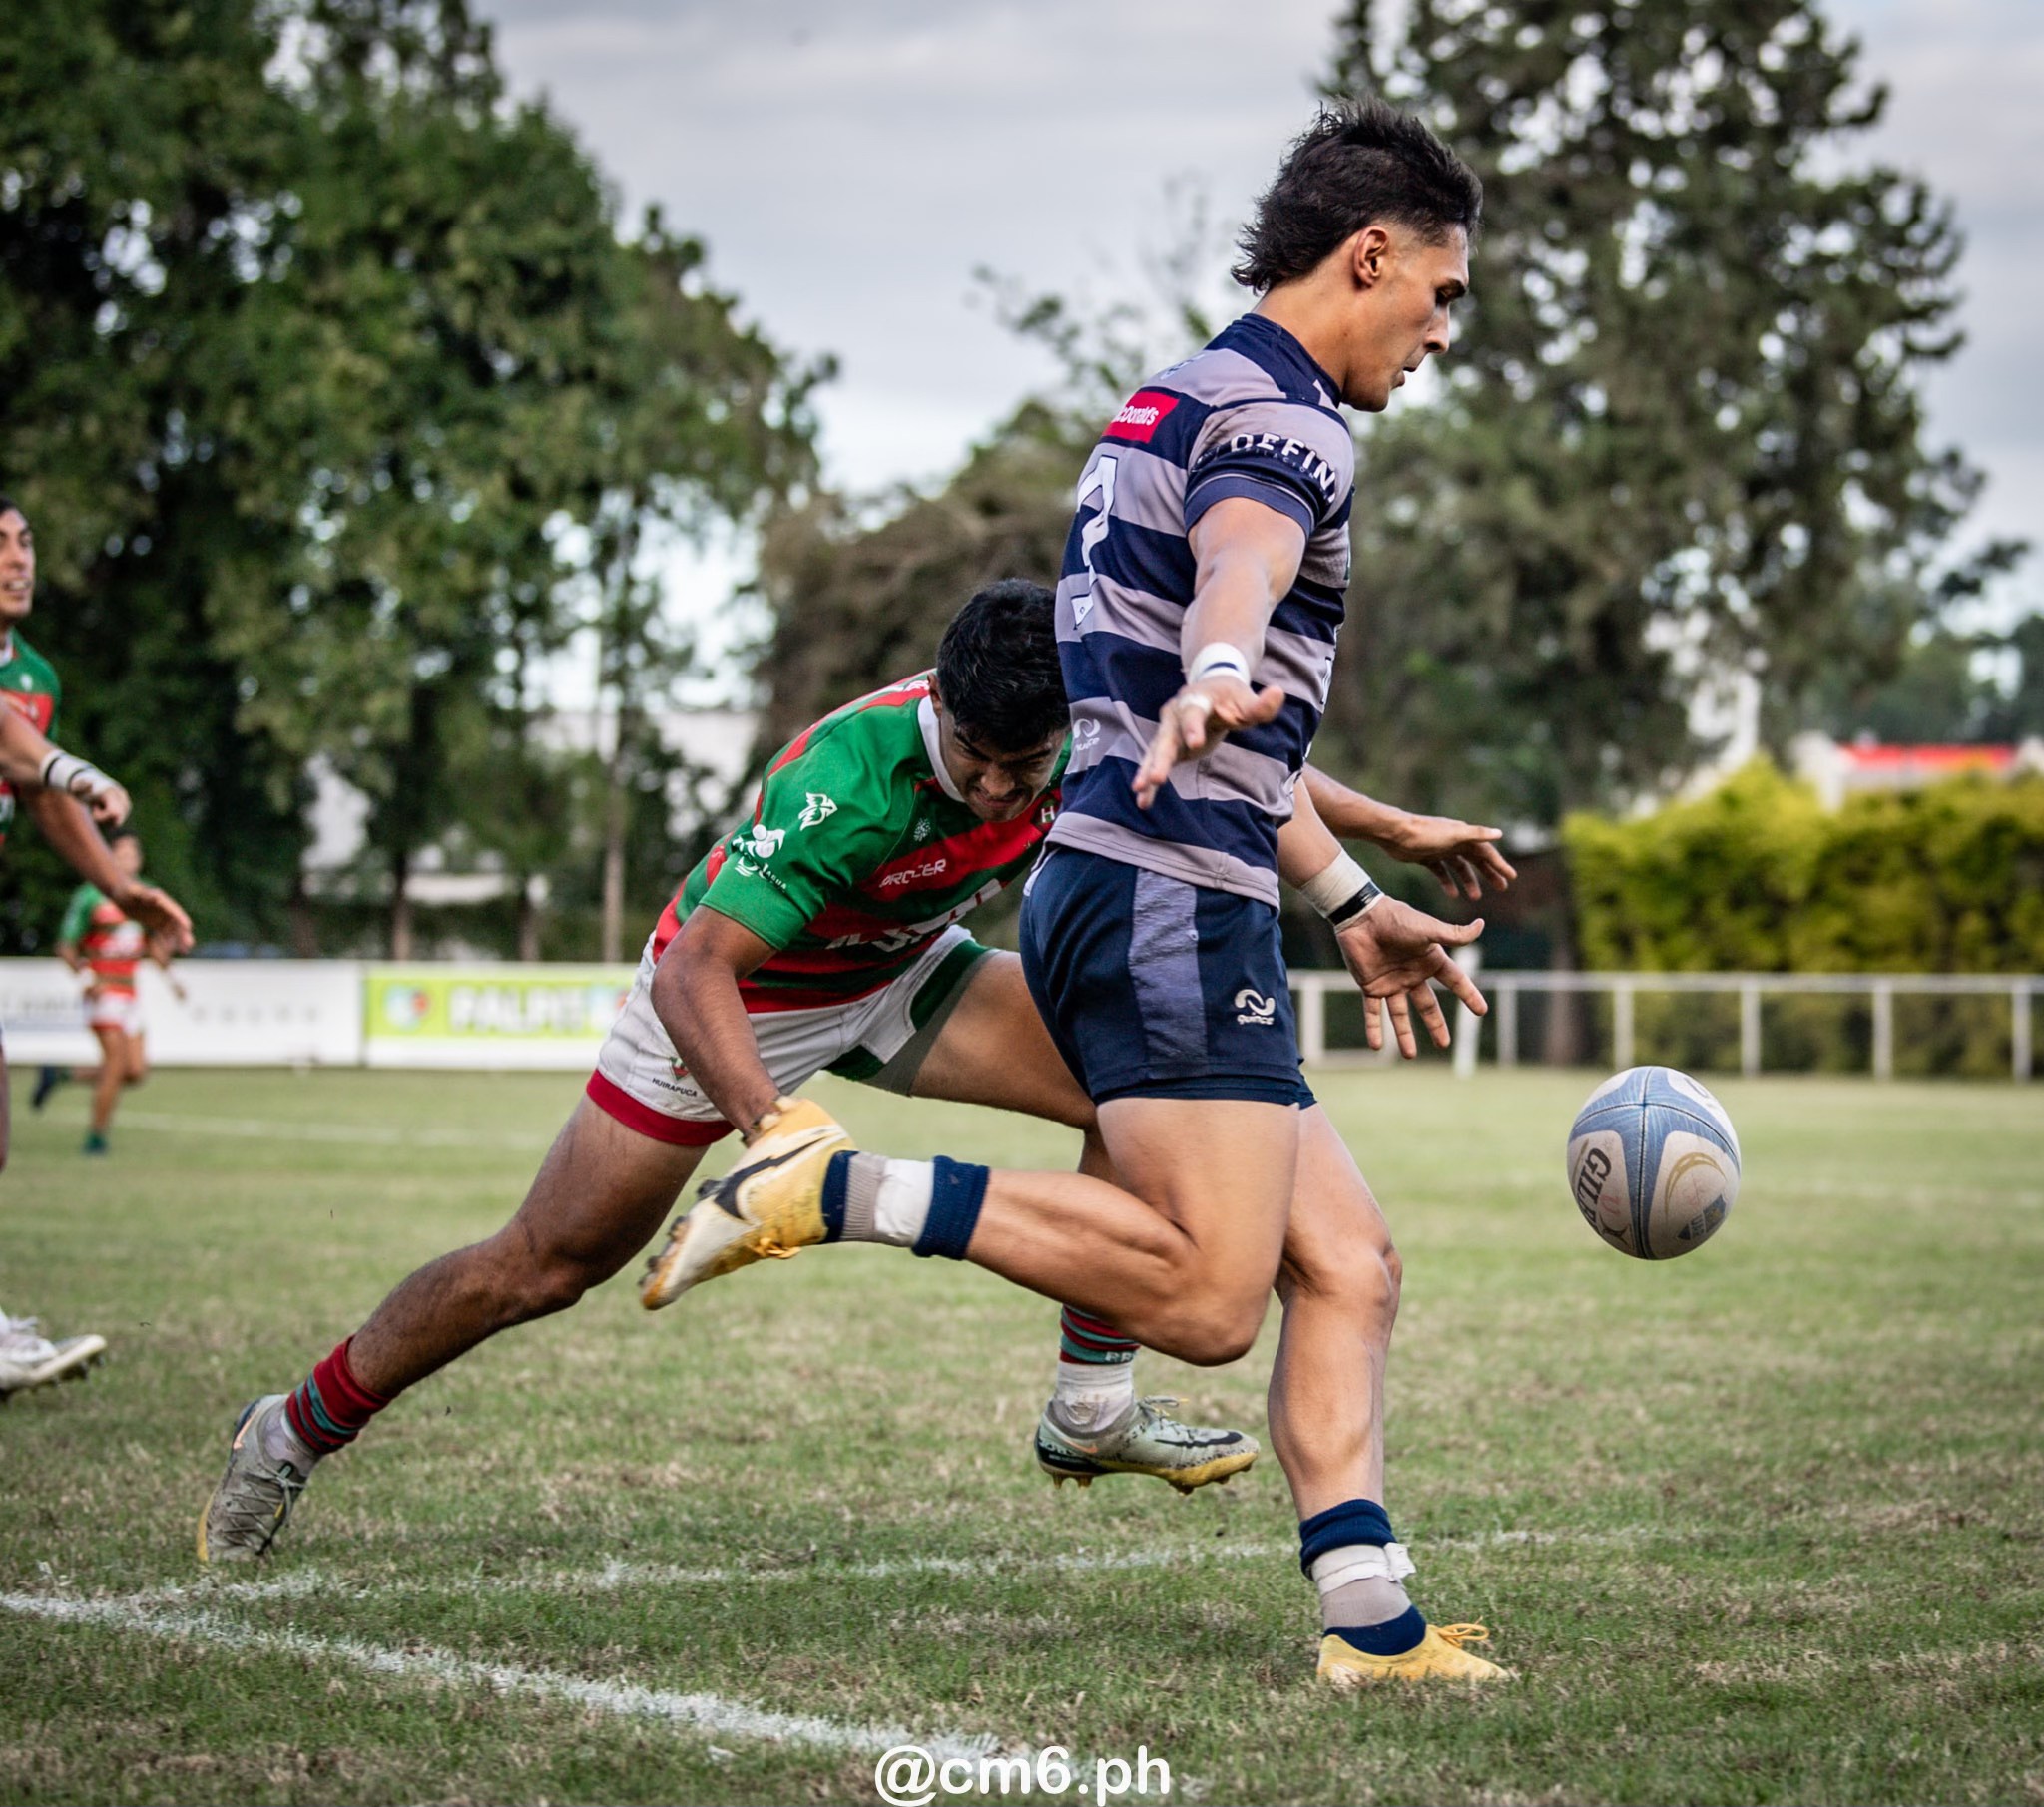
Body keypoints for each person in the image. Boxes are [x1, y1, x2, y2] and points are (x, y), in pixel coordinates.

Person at [645, 100, 1510, 1687]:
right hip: (1173, 902)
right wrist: (1230, 657)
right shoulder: (1292, 422)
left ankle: (1369, 1622)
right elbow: (1243, 564)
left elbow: (1178, 666)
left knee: (1353, 1261)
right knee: (1203, 1296)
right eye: (1441, 292)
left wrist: (1346, 894)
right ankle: (840, 1190)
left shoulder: (1163, 400)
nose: (1445, 329)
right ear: (1369, 254)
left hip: (1133, 880)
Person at [197, 579, 1509, 1560]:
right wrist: (770, 1128)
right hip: (738, 998)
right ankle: (295, 1425)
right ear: (939, 706)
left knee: (1127, 1074)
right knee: (541, 1264)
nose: (1004, 792)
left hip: (898, 972)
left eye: (1027, 765)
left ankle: (1090, 1403)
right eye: (982, 761)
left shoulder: (1086, 723)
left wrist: (1393, 835)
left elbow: (1239, 757)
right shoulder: (848, 779)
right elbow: (691, 969)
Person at [0, 497, 196, 1395]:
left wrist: (122, 888)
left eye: (24, 540)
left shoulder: (34, 670)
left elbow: (36, 790)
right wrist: (77, 769)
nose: (16, 559)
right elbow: (22, 753)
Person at [36, 830, 184, 1154]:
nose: (127, 860)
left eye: (133, 854)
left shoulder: (145, 896)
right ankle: (96, 1139)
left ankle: (61, 1074)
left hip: (130, 995)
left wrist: (172, 978)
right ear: (108, 856)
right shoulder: (90, 895)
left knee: (135, 1071)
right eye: (121, 854)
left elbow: (151, 946)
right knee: (115, 1066)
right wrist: (88, 978)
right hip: (104, 996)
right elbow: (66, 946)